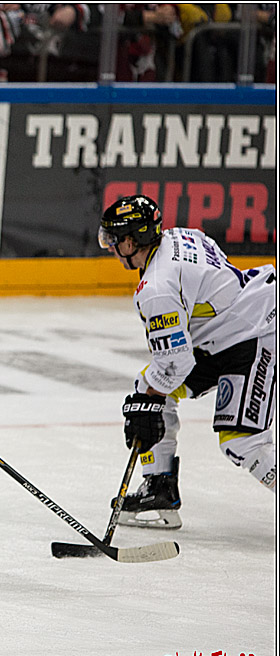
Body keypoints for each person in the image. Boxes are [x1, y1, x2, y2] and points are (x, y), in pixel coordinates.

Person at [99, 195, 277, 529]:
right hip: (230, 332)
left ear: (131, 240)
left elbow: (175, 363)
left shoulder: (157, 288)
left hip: (258, 331)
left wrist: (148, 402)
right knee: (147, 388)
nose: (109, 246)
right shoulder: (179, 236)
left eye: (114, 238)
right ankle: (160, 489)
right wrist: (150, 396)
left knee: (242, 441)